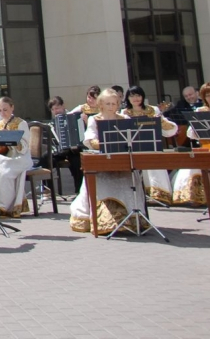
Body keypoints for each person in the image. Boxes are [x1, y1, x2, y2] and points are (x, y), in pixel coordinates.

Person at [69, 88, 151, 235]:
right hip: (102, 162)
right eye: (108, 104)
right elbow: (89, 139)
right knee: (102, 183)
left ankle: (131, 219)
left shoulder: (124, 119)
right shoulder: (95, 119)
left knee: (131, 180)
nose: (111, 107)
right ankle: (104, 220)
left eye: (114, 103)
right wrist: (105, 143)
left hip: (122, 162)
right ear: (101, 104)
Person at [121, 85, 177, 203]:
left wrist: (160, 120)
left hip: (152, 145)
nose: (135, 98)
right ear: (128, 98)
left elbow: (169, 131)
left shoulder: (153, 110)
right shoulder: (124, 113)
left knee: (154, 162)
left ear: (142, 97)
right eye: (132, 96)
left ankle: (158, 195)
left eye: (138, 95)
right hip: (133, 147)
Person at [45, 96, 83, 193]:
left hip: (72, 151)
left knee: (77, 162)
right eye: (53, 109)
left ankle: (78, 191)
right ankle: (47, 190)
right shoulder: (53, 123)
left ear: (63, 106)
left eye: (57, 108)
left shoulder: (73, 117)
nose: (55, 111)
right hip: (59, 151)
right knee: (45, 159)